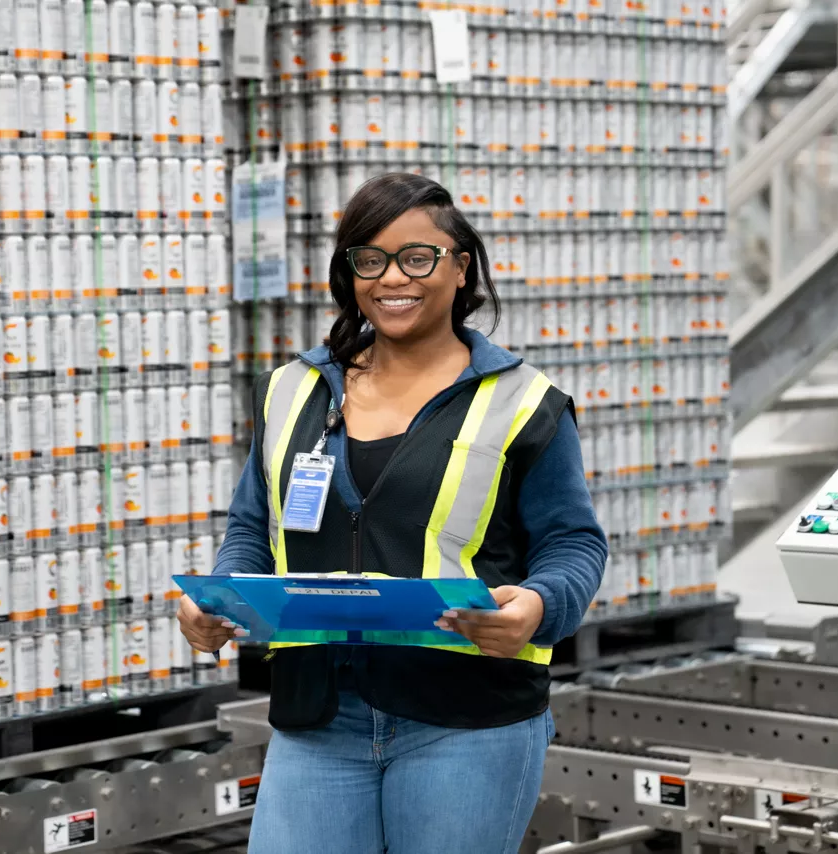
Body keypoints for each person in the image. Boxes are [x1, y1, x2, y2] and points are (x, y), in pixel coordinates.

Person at [177, 173, 607, 854]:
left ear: (461, 268)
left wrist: (536, 605)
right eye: (368, 260)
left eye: (417, 257)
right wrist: (221, 600)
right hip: (317, 717)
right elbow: (253, 530)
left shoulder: (525, 403)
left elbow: (574, 544)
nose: (391, 279)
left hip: (466, 719)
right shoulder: (292, 391)